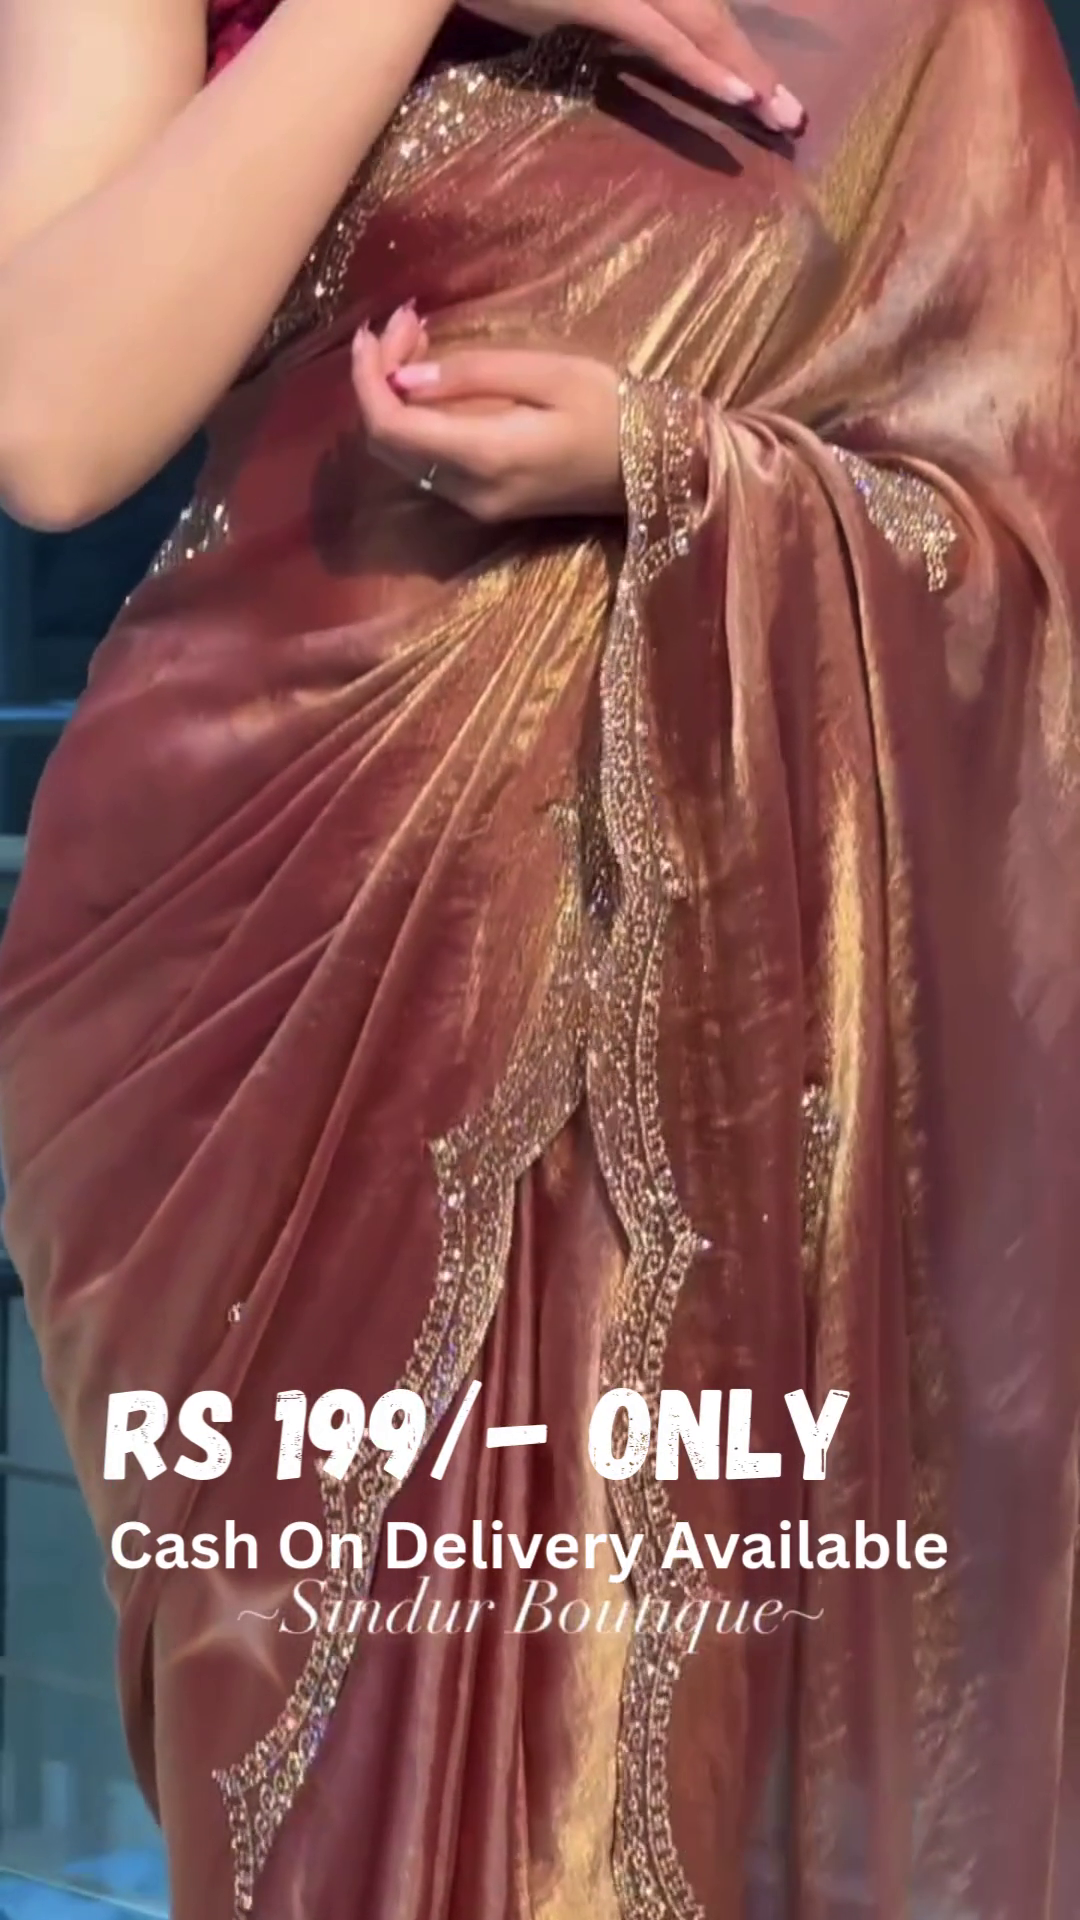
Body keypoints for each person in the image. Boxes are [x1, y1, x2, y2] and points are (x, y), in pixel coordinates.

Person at [0, 0, 1078, 1913]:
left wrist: (678, 471)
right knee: (329, 1803)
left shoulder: (931, 35)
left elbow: (1016, 546)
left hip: (723, 1022)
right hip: (265, 972)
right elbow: (53, 423)